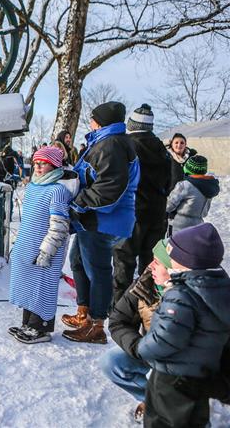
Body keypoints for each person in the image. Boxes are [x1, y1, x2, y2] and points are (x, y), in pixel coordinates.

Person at [136, 223, 230, 427]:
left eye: (173, 256)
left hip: (172, 377)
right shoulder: (219, 288)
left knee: (160, 421)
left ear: (187, 262)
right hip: (199, 376)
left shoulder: (182, 294)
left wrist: (142, 348)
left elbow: (165, 338)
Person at [62, 101, 139, 344]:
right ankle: (84, 312)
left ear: (101, 121)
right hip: (93, 220)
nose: (90, 122)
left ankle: (96, 325)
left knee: (98, 271)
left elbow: (109, 190)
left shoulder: (111, 145)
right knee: (77, 262)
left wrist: (77, 202)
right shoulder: (105, 141)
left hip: (103, 220)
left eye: (93, 118)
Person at [8, 147, 74, 344]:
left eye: (42, 163)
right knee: (28, 285)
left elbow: (59, 226)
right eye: (35, 162)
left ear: (53, 165)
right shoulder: (33, 187)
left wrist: (47, 251)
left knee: (41, 286)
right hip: (28, 247)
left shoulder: (58, 191)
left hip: (46, 250)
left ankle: (41, 328)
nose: (37, 166)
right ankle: (28, 324)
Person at [102, 240, 169, 423]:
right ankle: (150, 398)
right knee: (111, 362)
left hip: (180, 364)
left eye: (159, 262)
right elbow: (118, 320)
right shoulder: (146, 282)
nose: (151, 265)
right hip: (151, 352)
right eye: (153, 259)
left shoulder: (188, 292)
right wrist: (139, 347)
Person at [112, 104, 171, 305]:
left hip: (132, 213)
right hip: (157, 213)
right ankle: (147, 306)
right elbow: (171, 181)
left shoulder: (127, 145)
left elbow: (119, 179)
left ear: (132, 124)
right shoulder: (163, 149)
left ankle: (120, 306)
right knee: (150, 264)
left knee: (124, 261)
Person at [166, 155, 220, 234]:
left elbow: (168, 206)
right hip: (198, 225)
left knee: (175, 246)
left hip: (179, 226)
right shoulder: (209, 185)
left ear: (187, 168)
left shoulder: (185, 185)